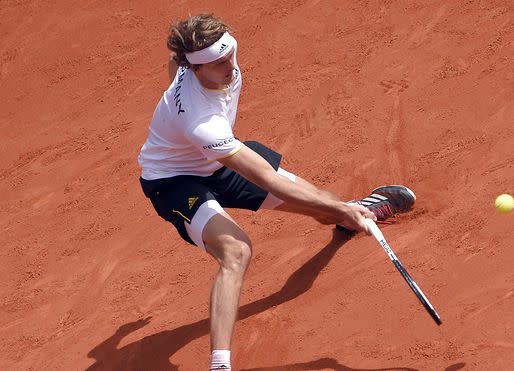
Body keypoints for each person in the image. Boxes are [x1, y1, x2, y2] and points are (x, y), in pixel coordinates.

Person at [137, 13, 416, 370]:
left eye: (230, 56)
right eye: (219, 63)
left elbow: (175, 59)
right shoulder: (201, 123)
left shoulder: (191, 64)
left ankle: (348, 213)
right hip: (174, 182)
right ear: (198, 69)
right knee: (236, 251)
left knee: (323, 203)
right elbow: (269, 181)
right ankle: (220, 365)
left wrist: (340, 210)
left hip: (218, 163)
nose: (230, 67)